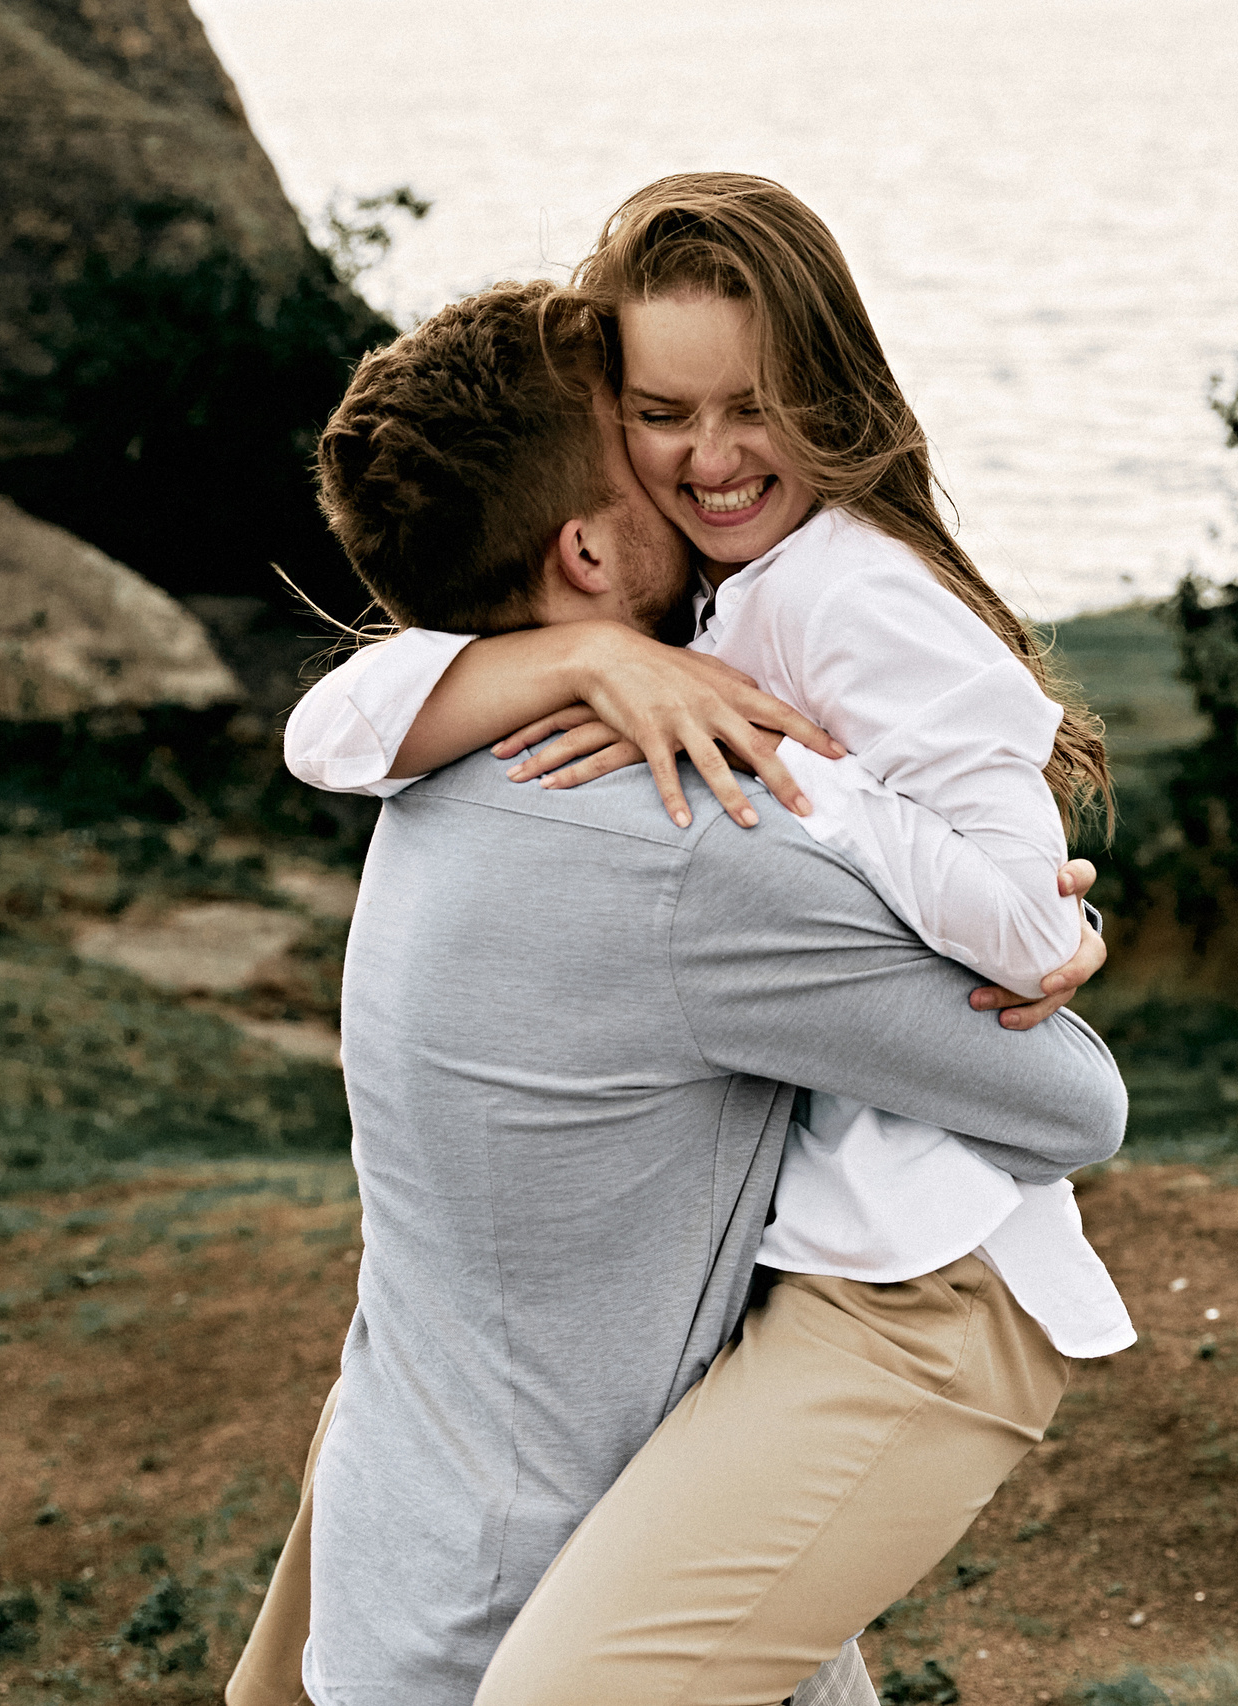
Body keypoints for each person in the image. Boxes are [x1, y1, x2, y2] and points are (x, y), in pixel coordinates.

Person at [225, 277, 1128, 1706]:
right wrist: (999, 921)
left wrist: (586, 651)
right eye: (644, 431)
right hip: (507, 1618)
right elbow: (1074, 1102)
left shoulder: (434, 764)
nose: (694, 473)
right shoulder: (691, 835)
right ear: (584, 548)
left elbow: (338, 715)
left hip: (397, 1555)